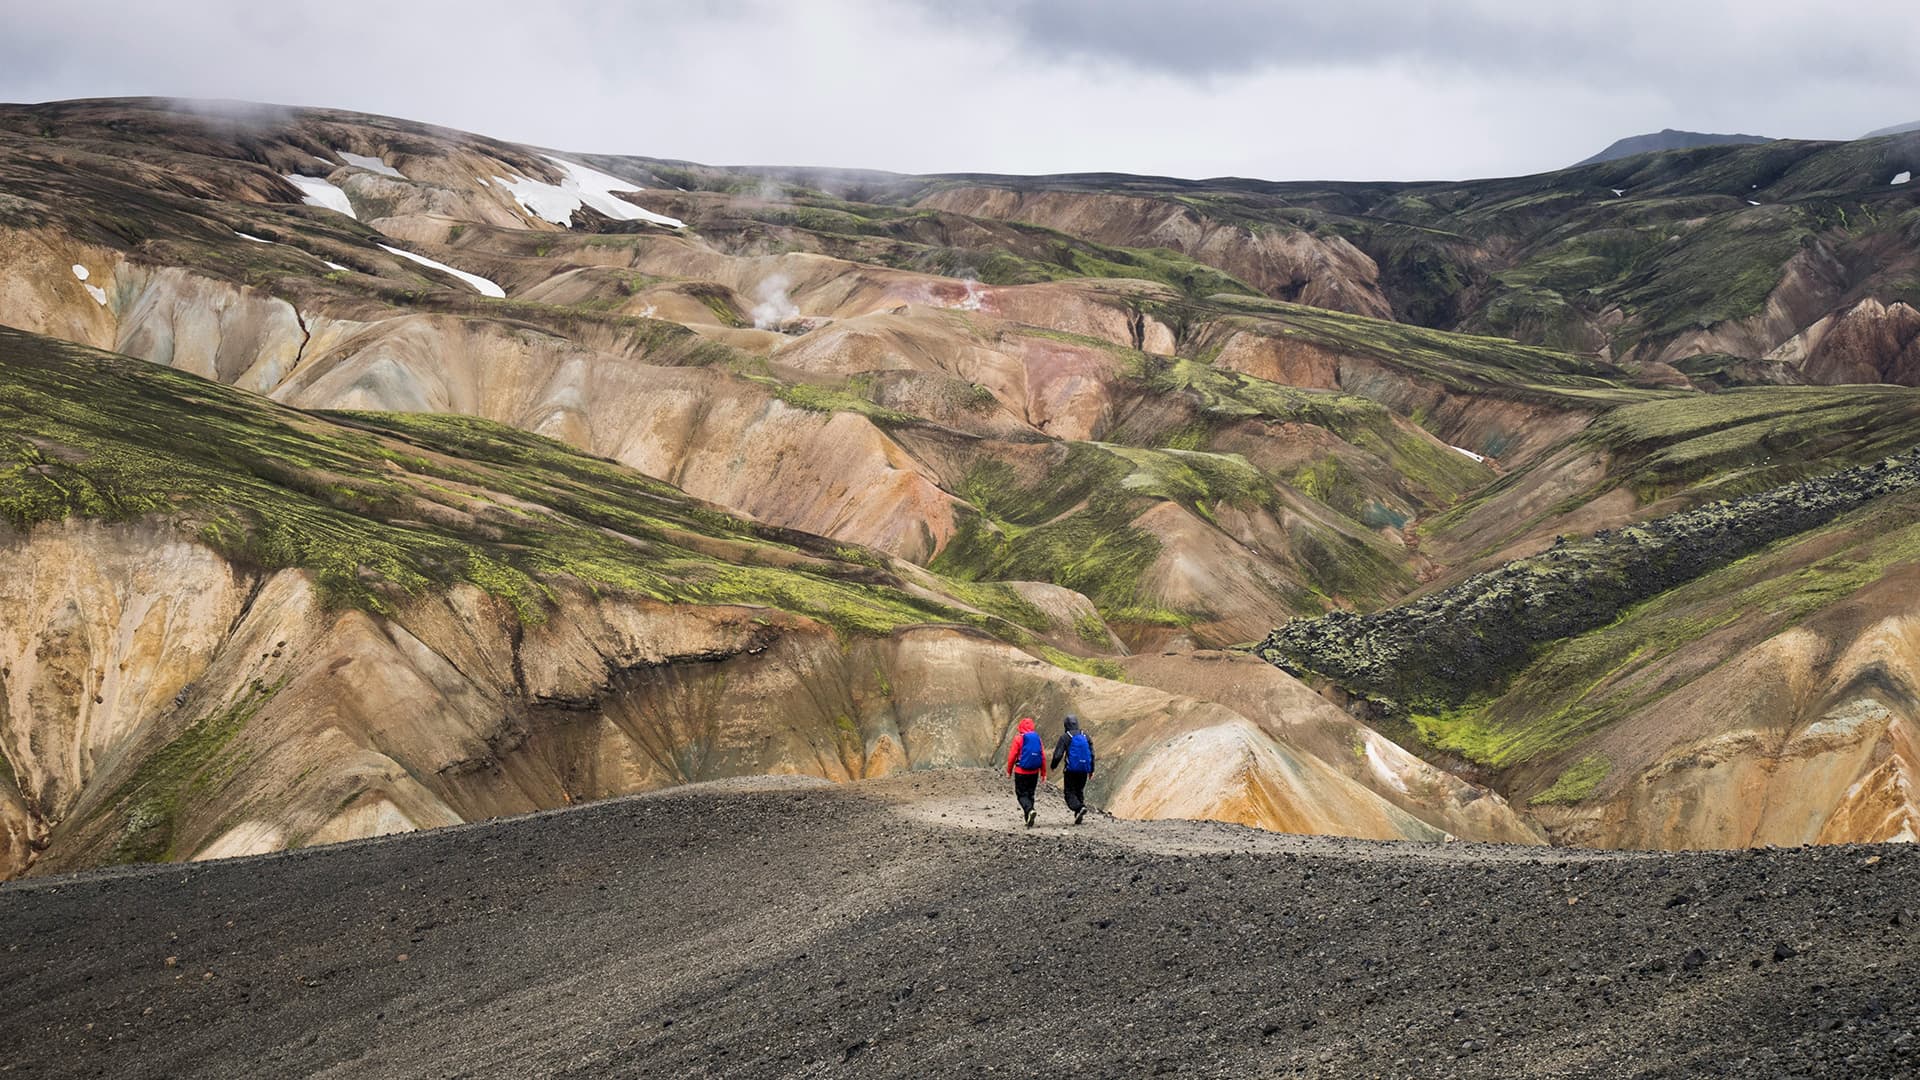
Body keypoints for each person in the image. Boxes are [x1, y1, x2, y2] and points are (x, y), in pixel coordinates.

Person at [1050, 713, 1096, 825]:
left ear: (1066, 725)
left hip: (1071, 771)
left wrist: (1053, 766)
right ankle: (1078, 814)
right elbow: (1092, 754)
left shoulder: (1066, 737)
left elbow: (1058, 755)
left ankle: (1079, 808)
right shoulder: (1085, 736)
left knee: (1069, 792)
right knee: (1079, 790)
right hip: (1084, 769)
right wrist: (1091, 770)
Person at [1005, 716, 1047, 827]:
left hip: (1021, 771)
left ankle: (1030, 810)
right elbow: (1042, 756)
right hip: (1034, 772)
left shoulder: (1019, 738)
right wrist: (1043, 773)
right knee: (1030, 794)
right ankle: (1028, 817)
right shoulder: (1037, 739)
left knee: (1021, 794)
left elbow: (1012, 756)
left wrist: (1009, 771)